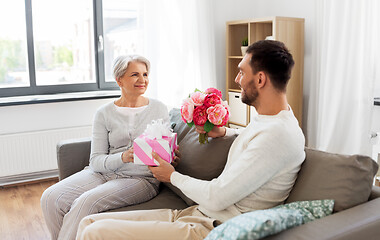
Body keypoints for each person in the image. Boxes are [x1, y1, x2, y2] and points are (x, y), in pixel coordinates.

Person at [75, 40, 306, 240]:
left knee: (93, 233)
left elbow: (217, 197)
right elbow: (256, 142)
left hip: (213, 227)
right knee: (89, 223)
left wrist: (171, 176)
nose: (237, 79)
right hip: (199, 214)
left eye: (242, 72)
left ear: (261, 79)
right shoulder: (272, 121)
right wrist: (225, 132)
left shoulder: (278, 136)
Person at [40, 55, 177, 240]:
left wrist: (171, 154)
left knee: (86, 202)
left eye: (145, 74)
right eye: (135, 74)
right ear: (119, 79)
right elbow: (96, 161)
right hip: (102, 172)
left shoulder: (159, 108)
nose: (142, 80)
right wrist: (123, 157)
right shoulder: (103, 113)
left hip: (140, 178)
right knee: (50, 197)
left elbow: (164, 148)